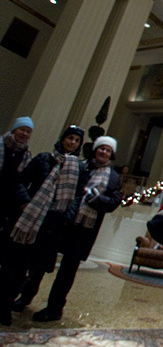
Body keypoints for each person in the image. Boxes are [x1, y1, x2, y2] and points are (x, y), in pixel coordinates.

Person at [14, 135, 121, 321]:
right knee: (40, 262)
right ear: (95, 149)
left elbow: (113, 202)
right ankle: (25, 297)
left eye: (108, 150)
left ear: (111, 154)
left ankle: (54, 309)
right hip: (61, 222)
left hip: (84, 229)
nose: (103, 152)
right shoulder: (78, 165)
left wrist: (94, 199)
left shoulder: (113, 177)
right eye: (101, 148)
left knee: (67, 271)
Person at [0, 124, 86, 326]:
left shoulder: (79, 168)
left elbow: (77, 196)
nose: (72, 142)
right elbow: (21, 181)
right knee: (14, 266)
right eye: (70, 138)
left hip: (51, 226)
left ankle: (14, 301)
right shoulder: (43, 159)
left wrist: (67, 215)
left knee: (32, 270)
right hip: (30, 220)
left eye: (77, 140)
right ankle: (3, 305)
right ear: (63, 139)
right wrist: (25, 202)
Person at [0, 117, 34, 242]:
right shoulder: (1, 144)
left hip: (7, 201)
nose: (24, 134)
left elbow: (20, 181)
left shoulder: (26, 154)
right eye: (22, 129)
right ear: (15, 130)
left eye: (28, 131)